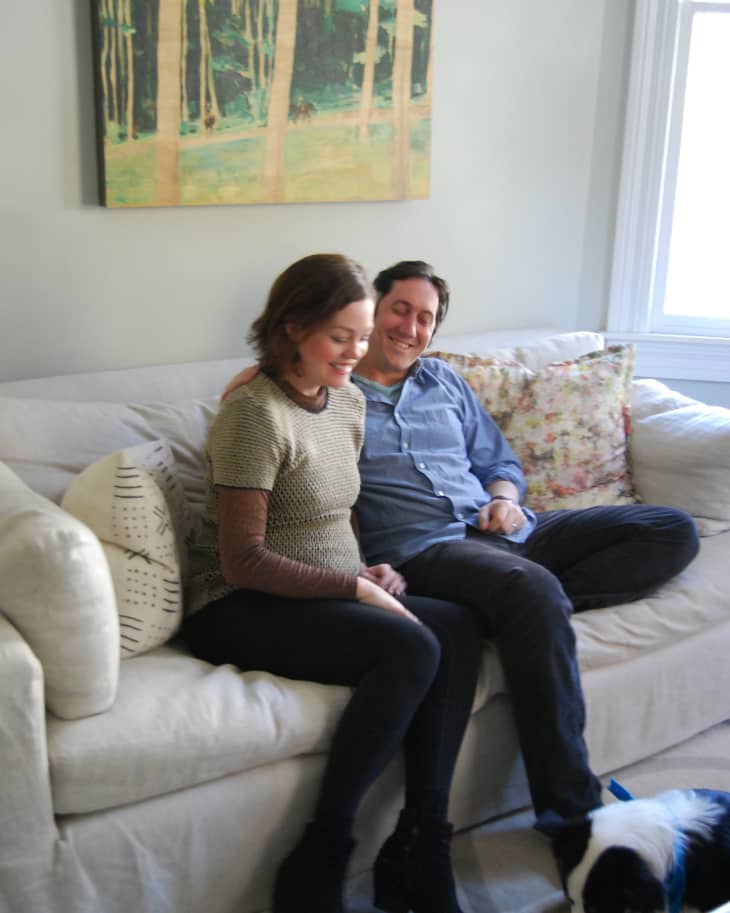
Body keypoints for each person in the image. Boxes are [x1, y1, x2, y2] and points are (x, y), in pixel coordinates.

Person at [349, 259, 700, 823]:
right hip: (431, 551)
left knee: (670, 529)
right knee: (529, 590)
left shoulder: (443, 381)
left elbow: (497, 460)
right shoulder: (331, 396)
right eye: (400, 309)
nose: (410, 328)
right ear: (373, 308)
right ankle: (571, 814)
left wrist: (505, 498)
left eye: (425, 318)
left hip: (509, 532)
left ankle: (520, 608)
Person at [185, 254, 483, 913]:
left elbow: (336, 510)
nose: (359, 350)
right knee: (412, 647)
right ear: (293, 328)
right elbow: (243, 559)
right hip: (238, 603)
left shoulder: (346, 399)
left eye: (363, 333)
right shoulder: (253, 414)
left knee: (458, 625)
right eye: (341, 336)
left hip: (321, 587)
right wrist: (355, 590)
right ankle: (323, 850)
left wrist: (363, 565)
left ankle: (422, 842)